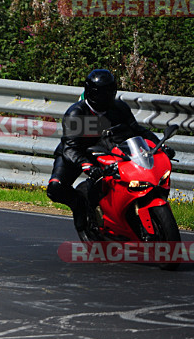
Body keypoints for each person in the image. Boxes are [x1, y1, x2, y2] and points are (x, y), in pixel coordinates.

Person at [46, 69, 173, 238]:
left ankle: (122, 216)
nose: (106, 97)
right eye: (102, 93)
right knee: (56, 188)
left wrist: (159, 146)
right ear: (91, 93)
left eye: (109, 92)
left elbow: (137, 130)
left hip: (105, 150)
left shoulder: (119, 107)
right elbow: (70, 147)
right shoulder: (76, 113)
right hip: (76, 153)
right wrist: (86, 165)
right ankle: (79, 206)